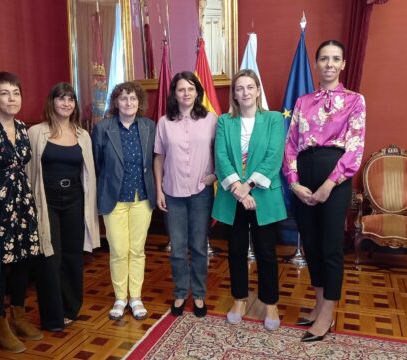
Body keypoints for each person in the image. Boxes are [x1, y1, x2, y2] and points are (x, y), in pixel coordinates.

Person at [283, 40, 366, 342]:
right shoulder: (303, 102)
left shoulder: (356, 101)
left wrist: (330, 184)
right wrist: (293, 182)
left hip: (336, 178)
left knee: (331, 245)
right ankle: (318, 305)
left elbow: (355, 148)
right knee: (312, 245)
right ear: (316, 64)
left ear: (343, 64)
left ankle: (328, 314)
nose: (329, 64)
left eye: (336, 59)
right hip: (304, 174)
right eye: (324, 59)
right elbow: (290, 145)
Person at [212, 69, 286, 331]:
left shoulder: (274, 119)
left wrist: (249, 187)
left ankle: (270, 303)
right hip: (233, 198)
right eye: (239, 88)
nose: (245, 92)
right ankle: (239, 300)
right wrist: (238, 190)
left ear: (257, 90)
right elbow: (221, 156)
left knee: (266, 252)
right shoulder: (224, 121)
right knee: (235, 250)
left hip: (263, 196)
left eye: (250, 87)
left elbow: (274, 156)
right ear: (234, 93)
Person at [26, 83, 100, 332]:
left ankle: (71, 308)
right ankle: (52, 317)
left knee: (72, 256)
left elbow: (88, 173)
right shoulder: (36, 132)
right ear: (52, 102)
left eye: (71, 99)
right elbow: (29, 172)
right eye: (61, 99)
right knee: (50, 258)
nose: (66, 103)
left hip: (75, 201)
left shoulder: (82, 135)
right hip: (47, 202)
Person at [0, 72, 42, 353]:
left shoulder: (23, 127)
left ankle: (19, 314)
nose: (12, 98)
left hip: (22, 199)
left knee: (23, 258)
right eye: (5, 93)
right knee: (1, 263)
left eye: (16, 92)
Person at [154, 71, 216, 317]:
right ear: (175, 94)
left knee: (199, 246)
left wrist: (215, 175)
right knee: (178, 247)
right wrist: (158, 189)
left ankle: (199, 295)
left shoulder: (211, 119)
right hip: (172, 192)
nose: (186, 93)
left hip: (201, 193)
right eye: (181, 89)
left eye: (191, 89)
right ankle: (181, 292)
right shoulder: (163, 122)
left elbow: (222, 151)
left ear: (197, 92)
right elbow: (159, 157)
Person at [92, 82, 156, 321]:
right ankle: (120, 298)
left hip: (142, 197)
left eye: (132, 99)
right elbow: (97, 164)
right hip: (114, 198)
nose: (128, 103)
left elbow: (154, 159)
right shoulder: (103, 128)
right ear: (115, 102)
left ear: (139, 102)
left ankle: (136, 297)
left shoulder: (149, 126)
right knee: (118, 250)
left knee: (137, 250)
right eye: (123, 98)